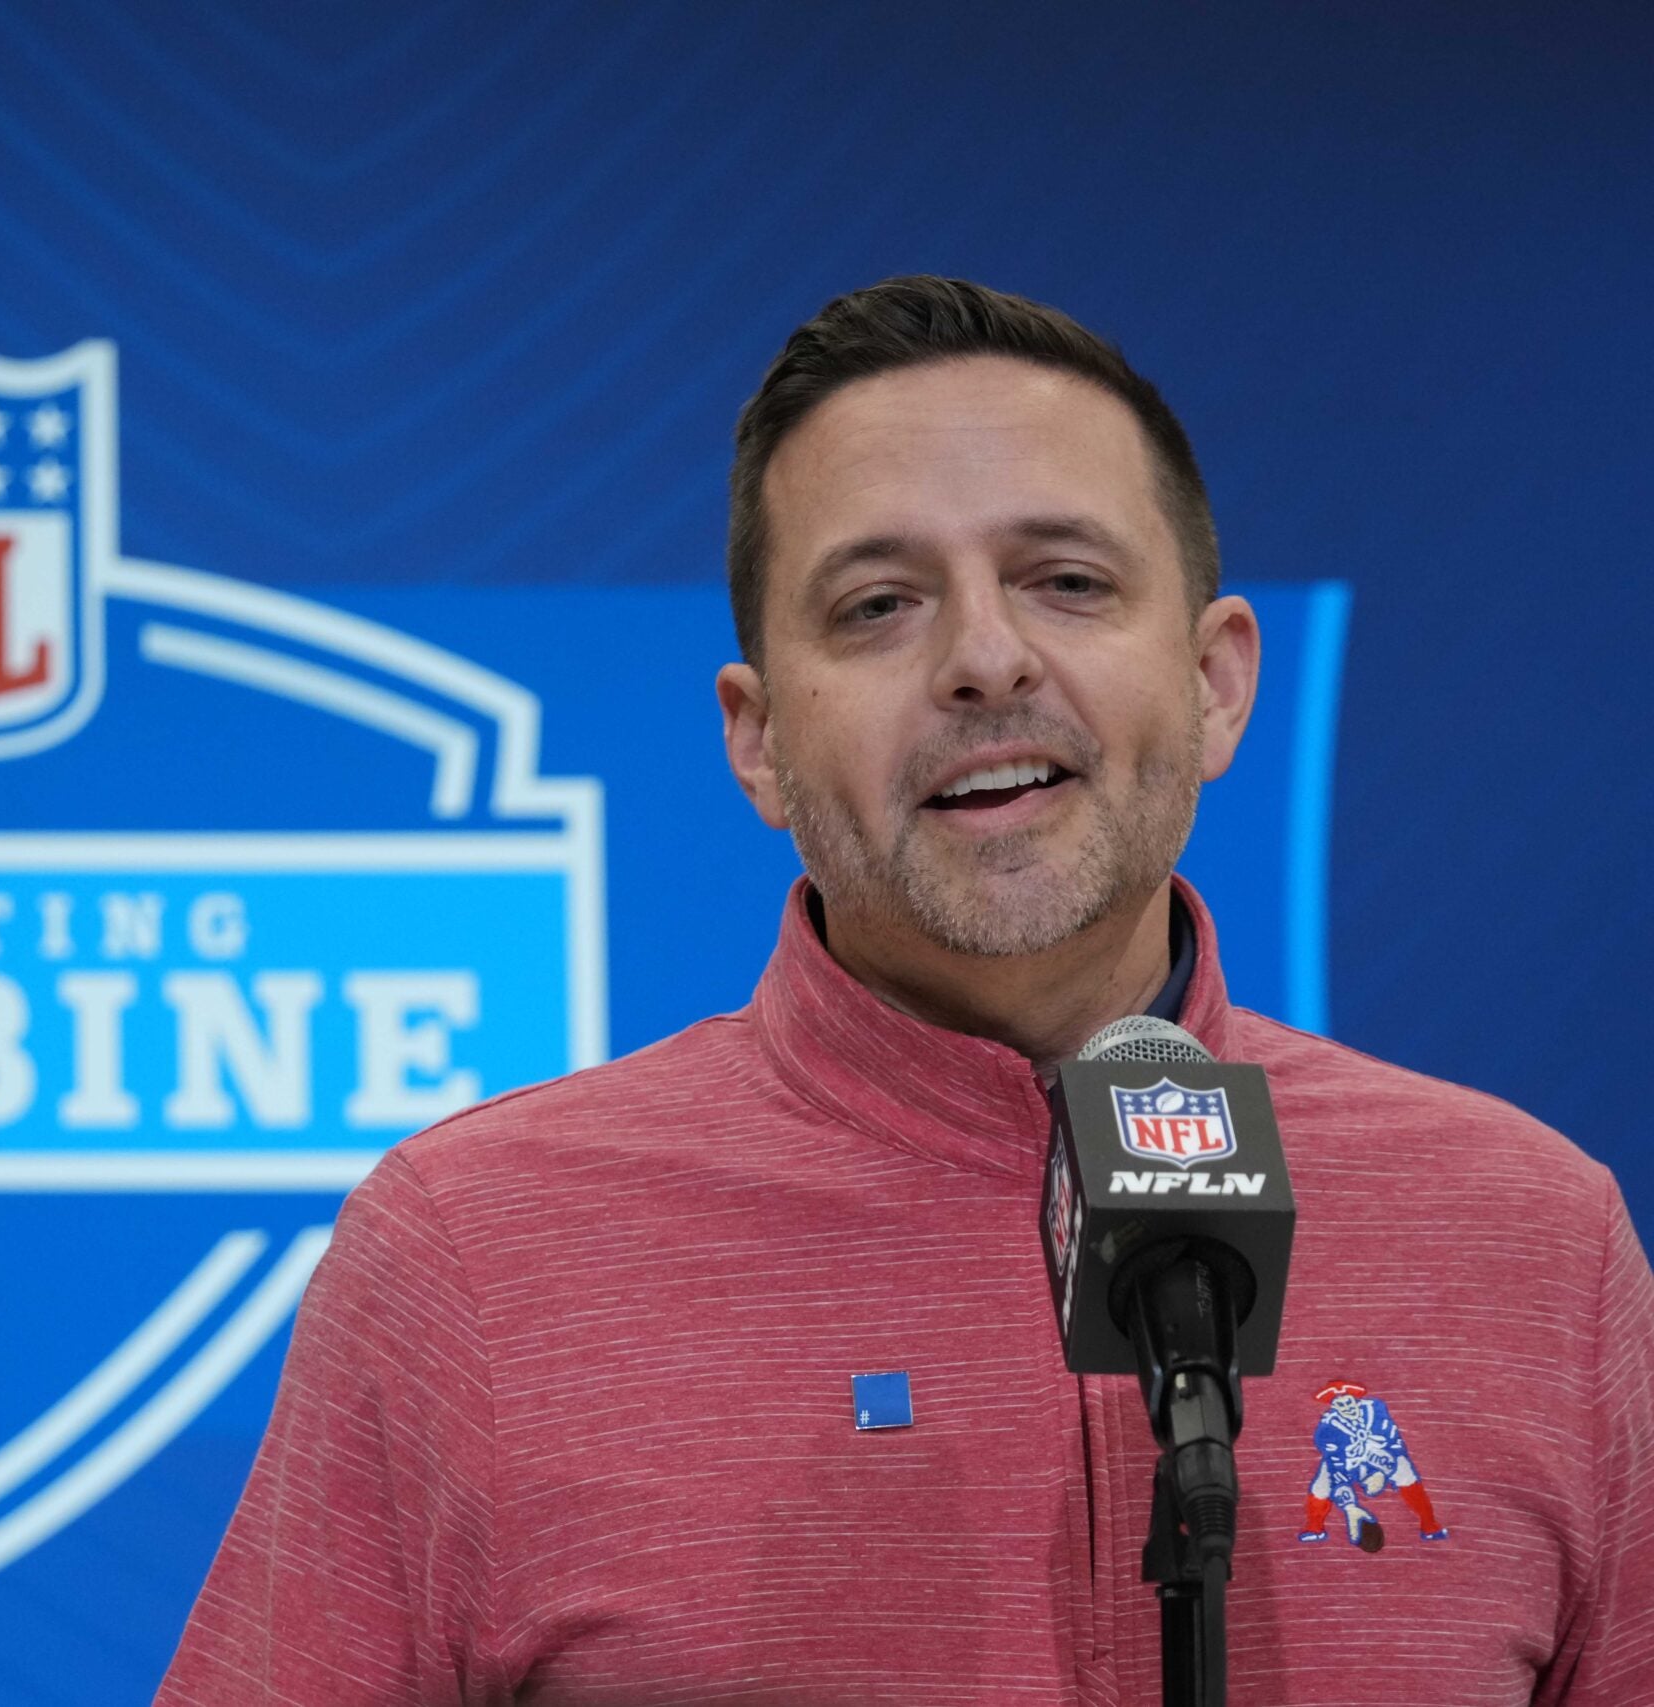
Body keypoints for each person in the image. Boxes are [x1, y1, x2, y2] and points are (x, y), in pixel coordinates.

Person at [156, 278, 1653, 1704]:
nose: (986, 660)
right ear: (758, 742)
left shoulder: (1535, 1241)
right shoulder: (473, 1256)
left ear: (1215, 683)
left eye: (1068, 582)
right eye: (878, 606)